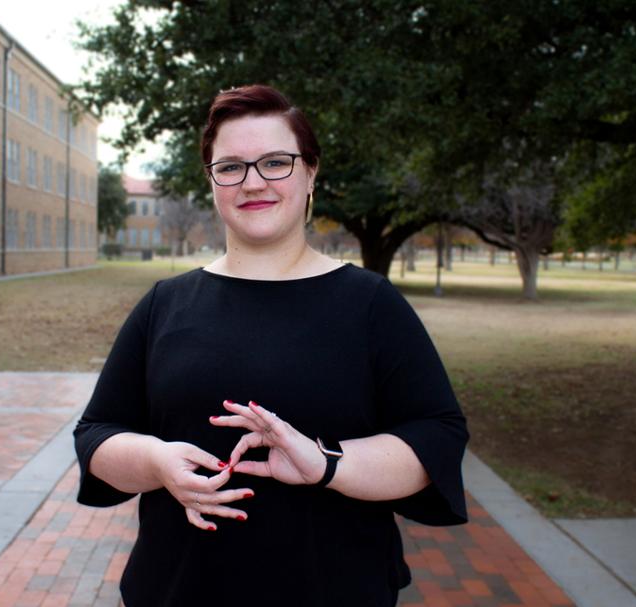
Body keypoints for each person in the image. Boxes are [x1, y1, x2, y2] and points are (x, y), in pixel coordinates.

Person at [74, 84, 468, 607]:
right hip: (178, 589)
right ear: (212, 181)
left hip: (335, 589)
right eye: (231, 166)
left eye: (275, 162)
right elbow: (97, 435)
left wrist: (327, 462)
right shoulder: (165, 304)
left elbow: (436, 435)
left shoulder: (370, 304)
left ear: (310, 174)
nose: (252, 182)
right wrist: (155, 461)